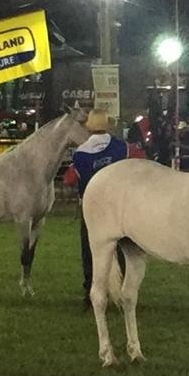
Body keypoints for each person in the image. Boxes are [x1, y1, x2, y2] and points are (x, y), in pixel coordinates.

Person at [62, 109, 128, 308]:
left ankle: (91, 291)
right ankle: (124, 288)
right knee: (123, 248)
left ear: (90, 128)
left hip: (93, 210)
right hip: (119, 207)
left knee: (91, 251)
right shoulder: (121, 147)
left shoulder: (82, 153)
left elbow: (69, 179)